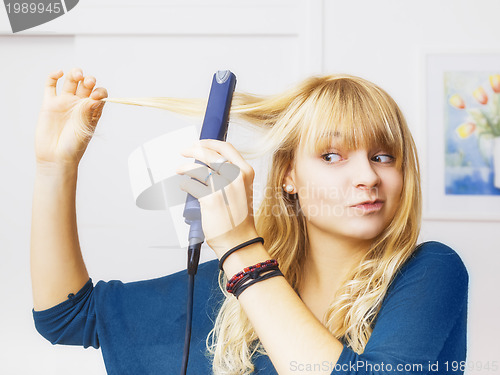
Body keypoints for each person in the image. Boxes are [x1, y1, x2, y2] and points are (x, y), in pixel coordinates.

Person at [31, 68, 469, 375]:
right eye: (332, 155)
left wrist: (240, 248)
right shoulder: (224, 293)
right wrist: (55, 167)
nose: (368, 177)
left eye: (383, 156)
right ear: (288, 178)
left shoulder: (430, 273)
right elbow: (68, 316)